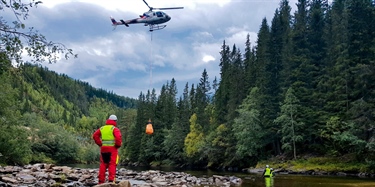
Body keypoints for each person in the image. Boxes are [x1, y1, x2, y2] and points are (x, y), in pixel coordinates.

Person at [93, 114, 122, 184]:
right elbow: (118, 139)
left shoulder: (102, 128)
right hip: (112, 149)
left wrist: (100, 144)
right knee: (112, 164)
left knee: (103, 164)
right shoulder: (114, 129)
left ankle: (100, 182)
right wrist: (117, 146)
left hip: (103, 149)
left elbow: (95, 136)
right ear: (115, 121)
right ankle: (111, 181)